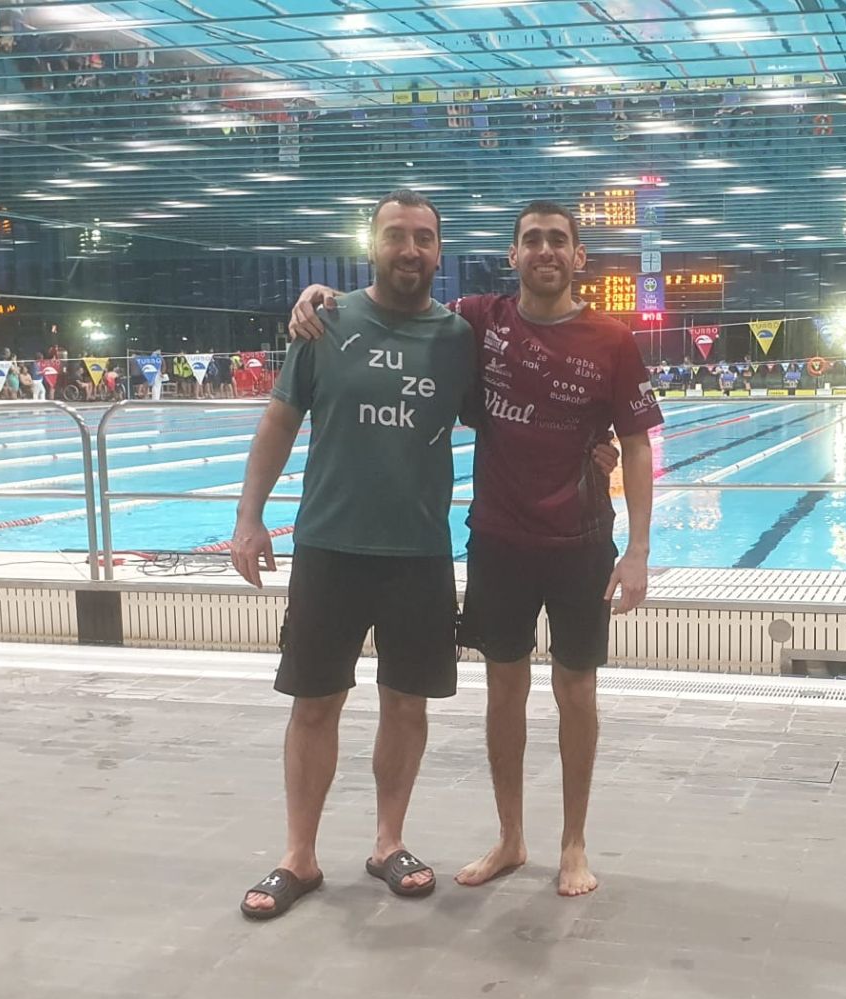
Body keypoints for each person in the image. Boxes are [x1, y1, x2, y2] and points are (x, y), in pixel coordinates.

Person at [290, 200, 660, 898]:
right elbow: (396, 303)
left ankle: (573, 843)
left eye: (559, 241)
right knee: (504, 691)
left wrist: (637, 550)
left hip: (581, 543)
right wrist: (323, 298)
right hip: (497, 539)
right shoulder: (480, 320)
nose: (545, 251)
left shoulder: (611, 339)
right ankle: (511, 837)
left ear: (578, 257)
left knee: (577, 691)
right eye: (532, 241)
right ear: (512, 256)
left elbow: (636, 447)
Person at [230, 190, 476, 921]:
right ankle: (297, 857)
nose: (410, 250)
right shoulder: (328, 322)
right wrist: (249, 519)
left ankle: (388, 843)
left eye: (423, 238)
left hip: (419, 550)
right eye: (396, 236)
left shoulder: (459, 337)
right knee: (315, 704)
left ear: (439, 251)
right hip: (329, 546)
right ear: (372, 245)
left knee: (407, 703)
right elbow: (278, 423)